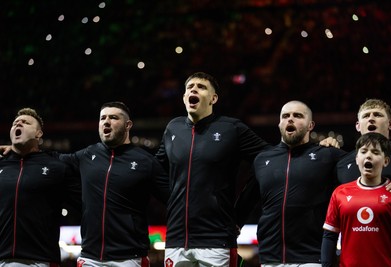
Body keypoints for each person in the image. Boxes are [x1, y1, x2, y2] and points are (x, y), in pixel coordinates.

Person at [155, 72, 271, 267]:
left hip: (217, 241)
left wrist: (240, 212)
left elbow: (270, 161)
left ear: (213, 98)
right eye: (189, 87)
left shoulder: (231, 128)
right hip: (176, 241)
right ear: (184, 97)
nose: (193, 89)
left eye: (201, 87)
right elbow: (152, 171)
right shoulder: (172, 129)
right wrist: (173, 200)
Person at [57, 101, 170, 267]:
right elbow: (51, 162)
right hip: (90, 257)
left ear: (128, 125)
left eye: (113, 117)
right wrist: (18, 151)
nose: (106, 122)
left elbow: (173, 200)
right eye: (102, 118)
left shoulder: (146, 162)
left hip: (129, 258)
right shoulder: (88, 155)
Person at [236, 100, 347, 266]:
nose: (290, 119)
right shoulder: (262, 159)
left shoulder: (327, 156)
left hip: (312, 258)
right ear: (279, 123)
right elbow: (245, 204)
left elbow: (364, 168)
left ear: (311, 125)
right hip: (271, 258)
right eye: (285, 116)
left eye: (298, 116)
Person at [0, 108, 81, 267]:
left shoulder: (57, 167)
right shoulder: (1, 164)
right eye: (16, 123)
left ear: (38, 134)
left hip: (40, 260)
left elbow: (86, 204)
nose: (19, 124)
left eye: (25, 122)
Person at [321, 132, 391, 267]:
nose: (368, 155)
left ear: (386, 161)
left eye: (375, 152)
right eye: (363, 151)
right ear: (357, 159)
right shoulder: (340, 193)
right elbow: (329, 236)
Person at [336, 99, 391, 189]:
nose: (371, 119)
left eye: (377, 115)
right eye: (366, 116)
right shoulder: (342, 163)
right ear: (358, 126)